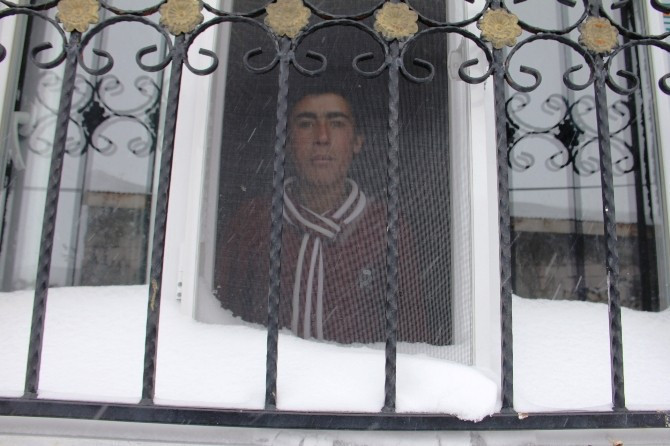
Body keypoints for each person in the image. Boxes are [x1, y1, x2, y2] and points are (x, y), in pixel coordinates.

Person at [217, 91, 426, 344]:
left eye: (336, 123)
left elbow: (410, 338)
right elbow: (221, 322)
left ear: (357, 141)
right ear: (287, 141)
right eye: (306, 124)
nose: (322, 137)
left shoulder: (384, 227)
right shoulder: (254, 220)